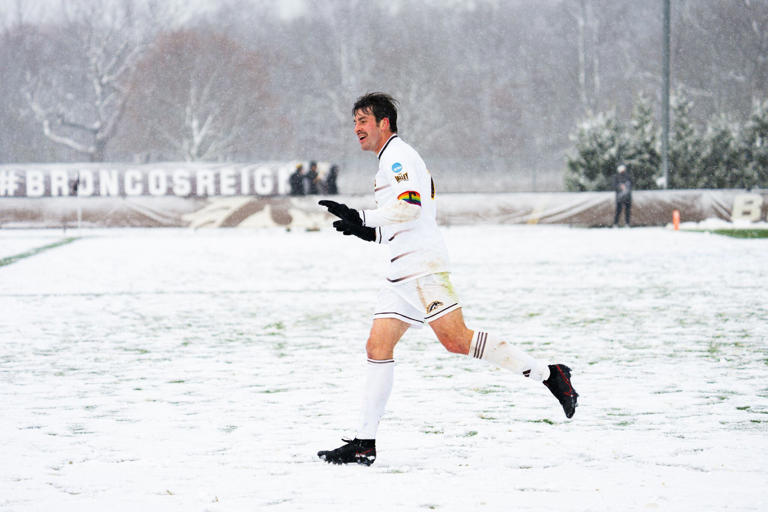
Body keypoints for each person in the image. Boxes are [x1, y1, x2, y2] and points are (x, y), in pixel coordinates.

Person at [317, 92, 578, 466]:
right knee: (377, 347)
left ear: (384, 123)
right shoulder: (390, 159)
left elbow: (409, 205)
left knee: (456, 341)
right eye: (354, 121)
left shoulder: (397, 155)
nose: (356, 128)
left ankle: (551, 375)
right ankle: (364, 443)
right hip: (401, 270)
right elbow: (405, 217)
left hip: (421, 267)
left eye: (363, 120)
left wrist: (365, 217)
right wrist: (366, 230)